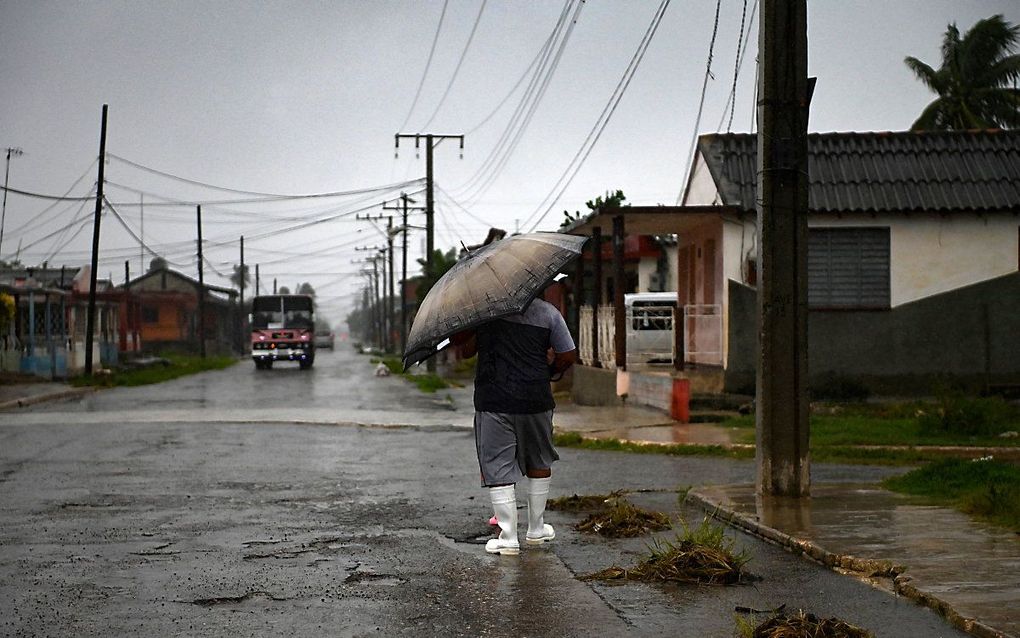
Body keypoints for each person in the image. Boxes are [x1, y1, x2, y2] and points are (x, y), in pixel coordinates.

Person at [453, 297, 576, 556]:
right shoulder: (548, 313)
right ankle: (536, 529)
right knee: (539, 460)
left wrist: (477, 326)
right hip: (536, 399)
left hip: (494, 400)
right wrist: (550, 368)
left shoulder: (483, 314)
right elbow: (568, 354)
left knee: (498, 464)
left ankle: (508, 537)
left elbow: (464, 351)